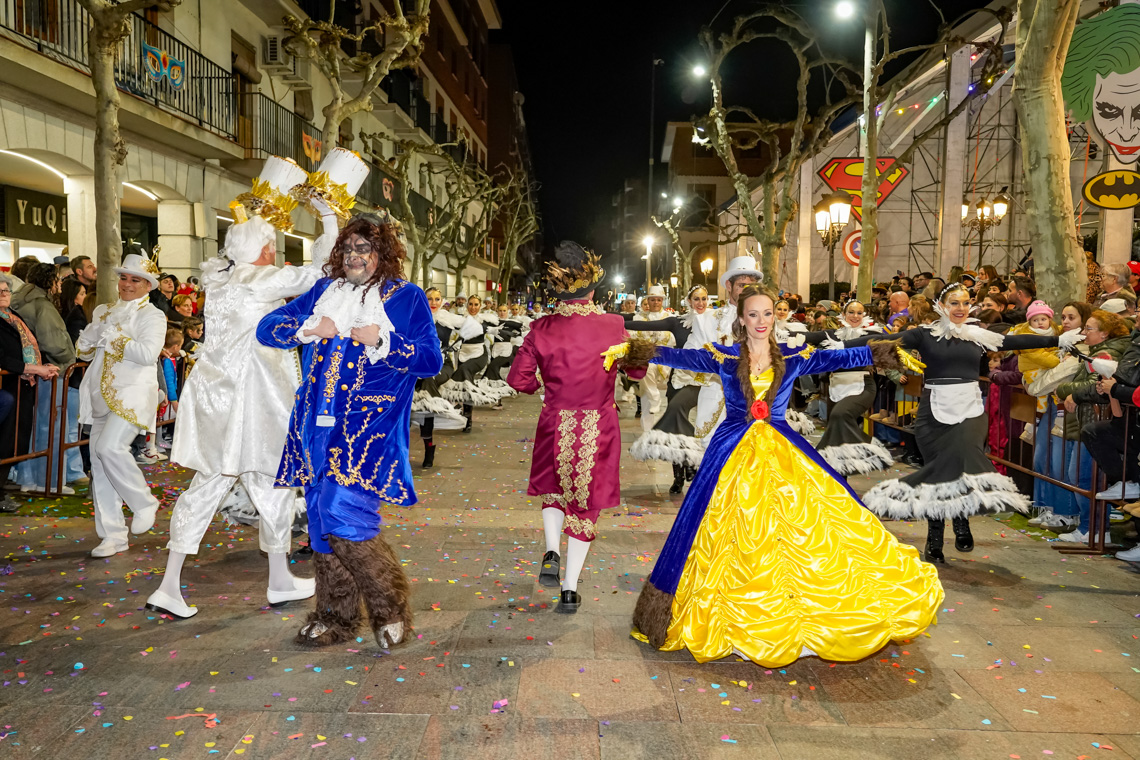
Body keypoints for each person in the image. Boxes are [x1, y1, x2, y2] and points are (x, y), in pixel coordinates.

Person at [625, 285, 943, 665]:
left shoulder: (792, 356)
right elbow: (679, 355)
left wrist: (882, 352)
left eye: (767, 313)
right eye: (753, 314)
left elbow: (837, 357)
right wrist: (632, 350)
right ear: (741, 318)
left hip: (782, 448)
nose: (761, 321)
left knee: (810, 527)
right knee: (725, 531)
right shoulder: (725, 356)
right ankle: (738, 621)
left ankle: (806, 621)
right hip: (732, 450)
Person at [256, 212, 442, 648]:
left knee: (343, 513)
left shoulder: (406, 297)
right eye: (348, 248)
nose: (354, 256)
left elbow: (431, 359)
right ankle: (335, 617)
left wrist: (385, 341)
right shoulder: (325, 292)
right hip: (313, 427)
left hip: (367, 429)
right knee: (322, 521)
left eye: (364, 248)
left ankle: (390, 611)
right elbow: (267, 329)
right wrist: (307, 327)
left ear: (383, 253)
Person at [146, 211, 339, 619]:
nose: (274, 251)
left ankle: (273, 578)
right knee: (264, 482)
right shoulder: (263, 279)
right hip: (252, 401)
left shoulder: (221, 281)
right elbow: (323, 270)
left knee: (237, 485)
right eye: (271, 245)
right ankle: (177, 585)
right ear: (264, 248)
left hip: (217, 397)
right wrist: (328, 218)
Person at [843, 283, 1081, 563]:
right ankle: (934, 536)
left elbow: (1015, 342)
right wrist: (833, 344)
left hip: (970, 410)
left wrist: (1058, 341)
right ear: (942, 306)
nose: (961, 308)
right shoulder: (924, 334)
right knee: (938, 472)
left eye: (966, 302)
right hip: (933, 412)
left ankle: (961, 519)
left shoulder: (979, 335)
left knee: (963, 459)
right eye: (954, 303)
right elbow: (881, 341)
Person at [508, 241, 646, 614]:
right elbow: (636, 372)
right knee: (586, 504)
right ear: (593, 289)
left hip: (554, 420)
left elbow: (518, 379)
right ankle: (569, 588)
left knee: (553, 488)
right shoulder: (613, 325)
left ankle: (552, 549)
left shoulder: (541, 328)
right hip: (598, 424)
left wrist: (542, 388)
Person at [75, 251, 167, 558]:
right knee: (100, 465)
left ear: (148, 285)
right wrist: (88, 340)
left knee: (109, 448)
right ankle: (112, 536)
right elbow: (85, 353)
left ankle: (144, 502)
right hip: (99, 395)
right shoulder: (103, 310)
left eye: (135, 280)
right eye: (124, 278)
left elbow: (147, 354)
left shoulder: (152, 315)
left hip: (132, 393)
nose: (127, 284)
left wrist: (114, 338)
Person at [627, 285, 719, 493]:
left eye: (704, 299)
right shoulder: (677, 322)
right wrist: (606, 320)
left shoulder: (716, 321)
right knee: (676, 422)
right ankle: (679, 475)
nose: (701, 303)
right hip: (679, 379)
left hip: (708, 382)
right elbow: (639, 325)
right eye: (696, 299)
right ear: (689, 301)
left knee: (678, 410)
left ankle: (693, 458)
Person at [1055, 310, 1131, 543]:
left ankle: (1095, 530)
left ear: (1104, 333)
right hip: (1090, 421)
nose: (1084, 332)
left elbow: (1095, 387)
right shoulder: (1098, 352)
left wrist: (1066, 391)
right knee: (1082, 475)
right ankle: (1090, 528)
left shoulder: (1105, 355)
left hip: (1096, 421)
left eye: (1089, 328)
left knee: (1085, 476)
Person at [11, 262, 84, 492]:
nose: (60, 284)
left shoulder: (20, 300)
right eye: (58, 280)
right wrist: (69, 358)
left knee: (36, 426)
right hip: (50, 371)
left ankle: (30, 479)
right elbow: (53, 342)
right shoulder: (42, 305)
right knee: (51, 426)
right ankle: (49, 481)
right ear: (50, 281)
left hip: (34, 370)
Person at [804, 300, 893, 475]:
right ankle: (839, 476)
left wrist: (847, 346)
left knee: (840, 414)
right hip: (836, 387)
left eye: (859, 313)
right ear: (843, 315)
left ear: (864, 315)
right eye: (851, 312)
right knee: (836, 432)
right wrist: (779, 331)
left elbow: (885, 342)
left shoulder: (872, 334)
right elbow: (808, 336)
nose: (855, 316)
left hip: (863, 385)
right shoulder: (833, 335)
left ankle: (870, 450)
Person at [0, 281, 59, 512]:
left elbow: (31, 346)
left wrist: (44, 364)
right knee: (5, 441)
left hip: (22, 385)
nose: (3, 294)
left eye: (6, 290)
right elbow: (3, 358)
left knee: (13, 441)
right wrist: (35, 369)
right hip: (8, 385)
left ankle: (1, 490)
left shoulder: (14, 317)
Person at [412, 286, 479, 468]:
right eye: (429, 298)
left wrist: (460, 340)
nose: (433, 302)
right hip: (420, 363)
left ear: (442, 302)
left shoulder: (448, 318)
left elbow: (475, 327)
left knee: (429, 383)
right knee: (419, 396)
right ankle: (427, 446)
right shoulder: (415, 317)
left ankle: (430, 443)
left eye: (437, 299)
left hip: (443, 365)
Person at [632, 285, 675, 428]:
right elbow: (634, 337)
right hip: (646, 358)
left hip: (665, 358)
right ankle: (647, 430)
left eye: (658, 300)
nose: (656, 302)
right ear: (648, 301)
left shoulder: (670, 318)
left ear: (662, 301)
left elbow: (673, 339)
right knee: (647, 395)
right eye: (652, 300)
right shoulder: (639, 318)